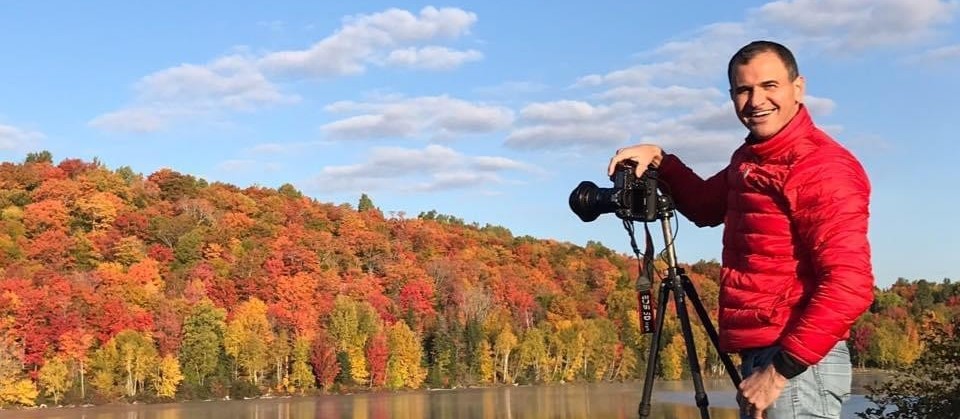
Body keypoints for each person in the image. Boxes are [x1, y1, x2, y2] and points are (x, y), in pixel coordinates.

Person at [608, 40, 874, 418]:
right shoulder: (752, 159)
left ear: (797, 88)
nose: (755, 101)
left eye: (769, 86)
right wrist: (661, 161)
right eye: (743, 90)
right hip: (772, 356)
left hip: (795, 362)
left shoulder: (819, 166)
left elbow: (850, 287)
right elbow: (703, 205)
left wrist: (778, 373)